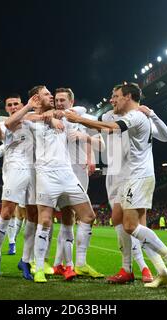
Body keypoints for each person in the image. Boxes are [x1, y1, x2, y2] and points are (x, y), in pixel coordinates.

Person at [65, 82, 167, 289]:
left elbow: (114, 127)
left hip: (137, 177)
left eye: (117, 96)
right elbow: (104, 124)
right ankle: (159, 271)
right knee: (122, 219)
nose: (113, 100)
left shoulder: (136, 116)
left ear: (128, 97)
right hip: (128, 176)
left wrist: (78, 120)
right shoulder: (130, 116)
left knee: (131, 226)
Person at [6, 85, 104, 283]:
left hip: (67, 175)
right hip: (45, 175)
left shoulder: (65, 115)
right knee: (45, 221)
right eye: (47, 94)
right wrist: (40, 114)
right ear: (36, 98)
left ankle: (79, 264)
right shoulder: (31, 120)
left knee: (88, 216)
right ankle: (40, 268)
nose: (52, 97)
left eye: (52, 95)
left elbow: (82, 113)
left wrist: (56, 115)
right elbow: (9, 123)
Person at [51, 88, 104, 280]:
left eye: (63, 100)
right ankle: (71, 265)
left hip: (81, 174)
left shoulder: (83, 119)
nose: (59, 103)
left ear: (71, 102)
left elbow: (102, 144)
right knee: (68, 219)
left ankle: (59, 264)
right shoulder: (55, 119)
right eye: (56, 100)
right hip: (64, 174)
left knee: (75, 219)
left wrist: (86, 140)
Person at [0, 95, 40, 280]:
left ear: (22, 104)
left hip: (35, 169)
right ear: (6, 108)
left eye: (16, 103)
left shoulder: (30, 118)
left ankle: (25, 260)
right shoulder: (3, 121)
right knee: (7, 212)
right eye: (10, 105)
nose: (13, 106)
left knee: (33, 215)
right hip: (15, 168)